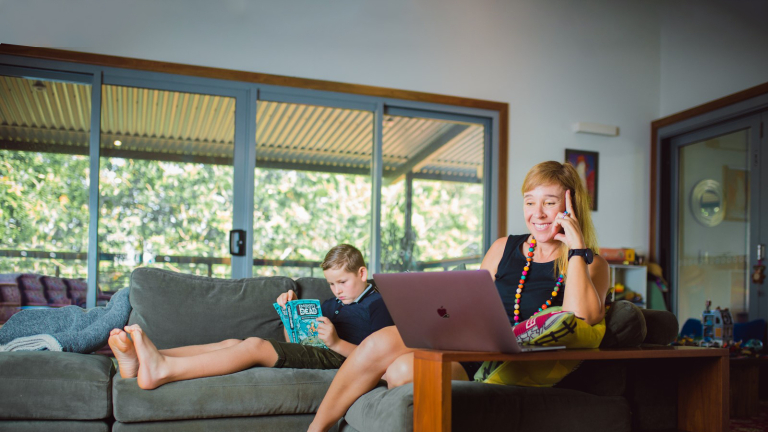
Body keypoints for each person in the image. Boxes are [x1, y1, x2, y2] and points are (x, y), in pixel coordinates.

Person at [307, 161, 610, 432]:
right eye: (530, 202)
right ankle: (315, 430)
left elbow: (580, 322)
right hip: (467, 346)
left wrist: (577, 250)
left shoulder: (591, 263)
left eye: (550, 202)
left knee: (401, 370)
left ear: (570, 206)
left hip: (505, 367)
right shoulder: (504, 247)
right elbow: (470, 302)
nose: (537, 213)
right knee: (378, 342)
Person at [108, 244, 394, 390]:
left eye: (342, 282)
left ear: (361, 273)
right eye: (331, 283)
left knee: (255, 346)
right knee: (232, 342)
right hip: (317, 353)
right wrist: (289, 321)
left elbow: (380, 359)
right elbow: (297, 344)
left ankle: (162, 370)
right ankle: (146, 358)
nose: (336, 290)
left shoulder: (378, 305)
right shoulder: (331, 303)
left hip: (343, 360)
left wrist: (334, 342)